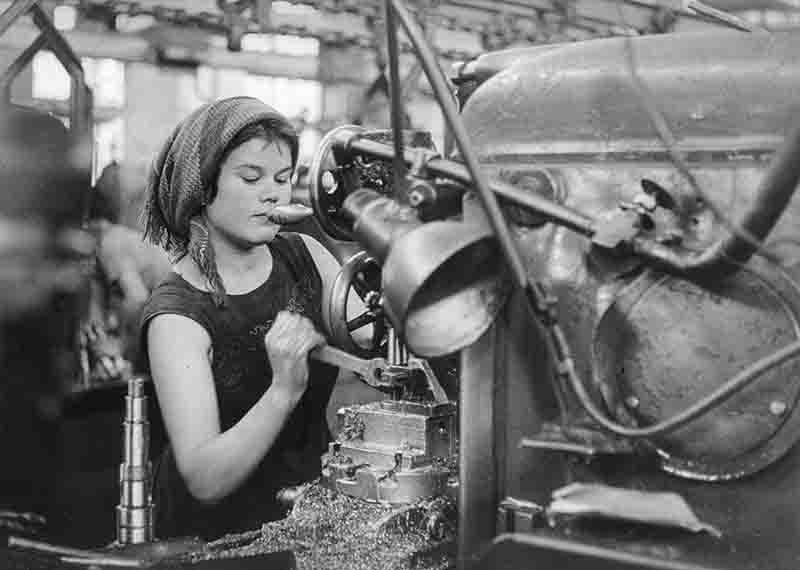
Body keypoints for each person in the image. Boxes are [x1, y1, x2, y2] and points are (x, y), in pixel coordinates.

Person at [140, 97, 348, 540]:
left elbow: (378, 329)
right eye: (251, 177)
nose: (272, 193)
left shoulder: (304, 256)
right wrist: (283, 390)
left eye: (283, 178)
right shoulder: (178, 317)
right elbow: (204, 478)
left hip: (307, 523)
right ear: (202, 187)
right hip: (216, 542)